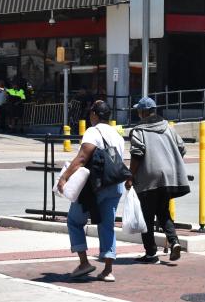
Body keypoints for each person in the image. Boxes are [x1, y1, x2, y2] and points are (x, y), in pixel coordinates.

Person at [56, 100, 125, 282]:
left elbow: (82, 156)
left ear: (95, 114)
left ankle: (84, 263)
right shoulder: (116, 134)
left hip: (96, 186)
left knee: (74, 221)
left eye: (91, 113)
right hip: (115, 184)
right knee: (107, 225)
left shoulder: (92, 131)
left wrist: (64, 177)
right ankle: (108, 270)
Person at [128, 96, 189, 263]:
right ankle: (174, 241)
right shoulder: (168, 128)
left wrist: (130, 176)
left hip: (149, 178)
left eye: (139, 111)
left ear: (143, 112)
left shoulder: (139, 130)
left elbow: (137, 154)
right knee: (163, 212)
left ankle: (151, 253)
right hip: (169, 178)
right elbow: (182, 148)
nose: (138, 114)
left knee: (146, 216)